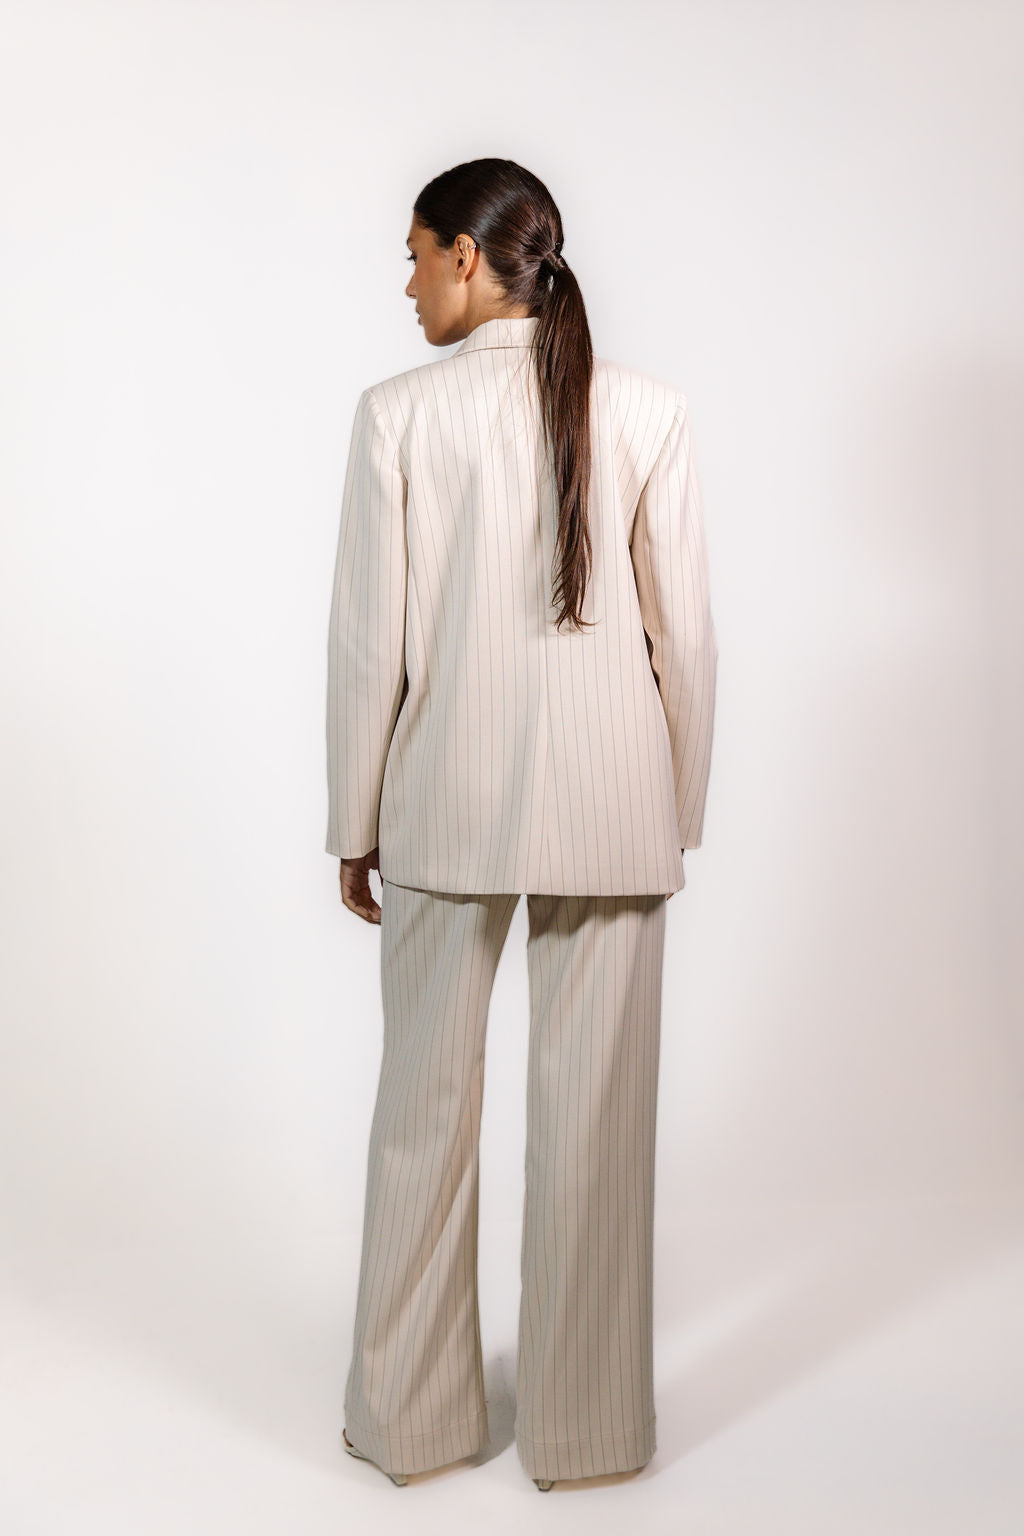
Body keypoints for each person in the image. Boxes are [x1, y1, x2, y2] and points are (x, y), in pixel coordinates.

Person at [325, 157, 718, 1491]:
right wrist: (675, 806)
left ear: (469, 258)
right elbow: (686, 637)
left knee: (421, 1117)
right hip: (615, 810)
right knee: (598, 1131)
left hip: (446, 804)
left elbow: (367, 644)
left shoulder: (397, 416)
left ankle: (409, 1420)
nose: (406, 283)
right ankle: (588, 1434)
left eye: (415, 254)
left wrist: (354, 816)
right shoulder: (649, 410)